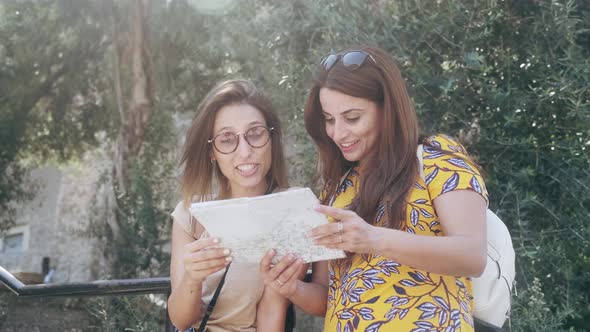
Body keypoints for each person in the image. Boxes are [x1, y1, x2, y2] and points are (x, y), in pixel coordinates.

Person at [275, 46, 489, 331]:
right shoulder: (340, 187)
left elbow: (472, 255)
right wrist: (291, 288)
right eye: (329, 119)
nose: (337, 133)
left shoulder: (436, 158)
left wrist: (374, 239)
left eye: (352, 118)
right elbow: (327, 297)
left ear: (387, 109)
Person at [168, 79, 298, 332]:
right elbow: (180, 319)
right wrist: (193, 277)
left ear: (271, 137)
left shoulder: (290, 209)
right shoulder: (190, 214)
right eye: (227, 139)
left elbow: (272, 313)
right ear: (212, 152)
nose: (245, 151)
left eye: (255, 133)